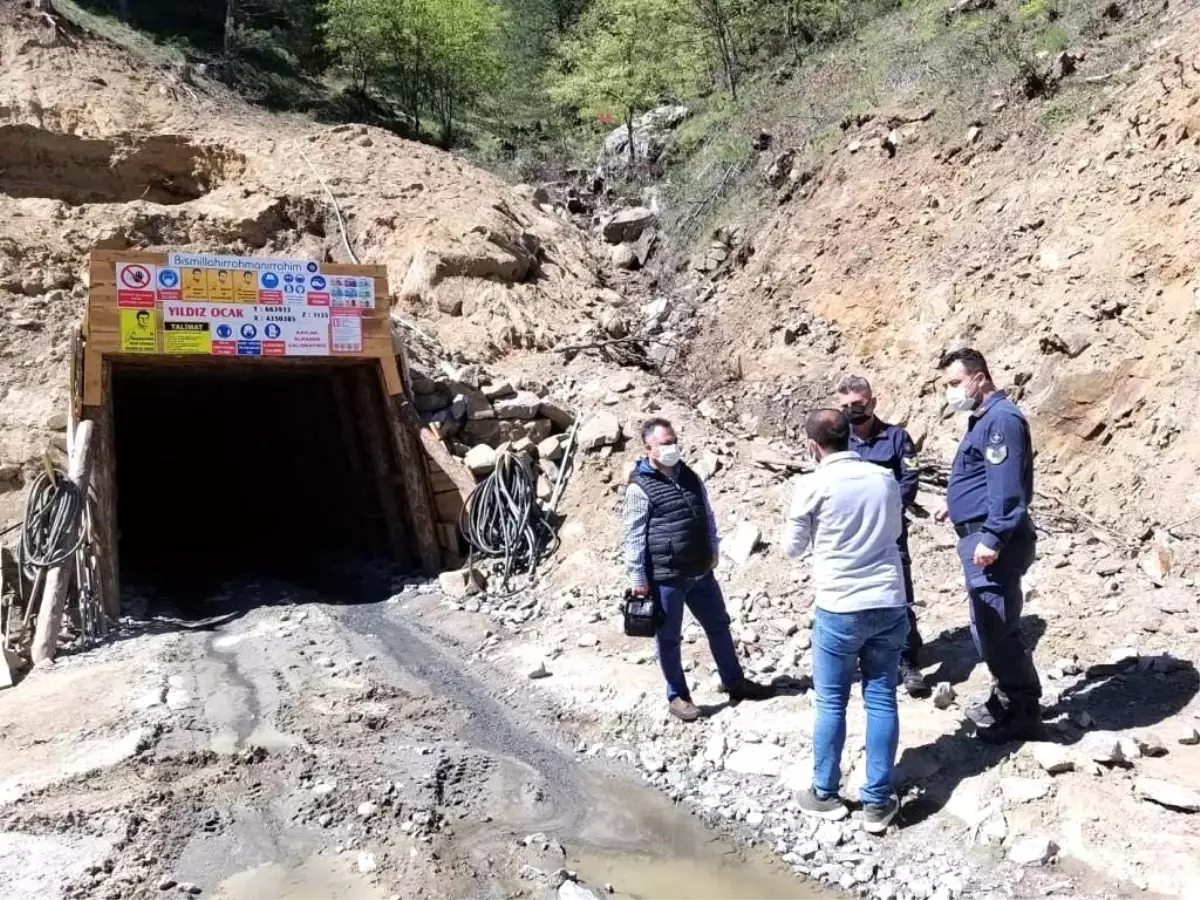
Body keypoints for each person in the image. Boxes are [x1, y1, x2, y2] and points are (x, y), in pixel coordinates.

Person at [781, 409, 908, 834]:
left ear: (812, 445)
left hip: (839, 605)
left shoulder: (812, 485)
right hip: (889, 600)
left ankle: (825, 793)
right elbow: (894, 530)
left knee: (832, 701)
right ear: (852, 438)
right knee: (882, 698)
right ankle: (876, 802)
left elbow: (792, 549)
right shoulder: (883, 478)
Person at [622, 418, 774, 722]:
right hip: (666, 577)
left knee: (719, 626)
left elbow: (706, 513)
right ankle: (677, 695)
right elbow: (634, 535)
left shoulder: (689, 475)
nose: (672, 447)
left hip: (701, 571)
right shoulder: (640, 488)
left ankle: (735, 682)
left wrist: (714, 551)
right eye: (665, 443)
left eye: (673, 440)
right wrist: (638, 578)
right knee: (669, 638)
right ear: (648, 448)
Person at [937, 348, 1044, 744]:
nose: (951, 392)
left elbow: (1007, 489)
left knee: (997, 630)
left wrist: (993, 536)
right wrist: (954, 507)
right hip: (979, 534)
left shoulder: (1001, 420)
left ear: (980, 377)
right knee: (988, 625)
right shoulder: (983, 419)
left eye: (954, 383)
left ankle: (1024, 712)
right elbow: (983, 479)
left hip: (991, 541)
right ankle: (1005, 698)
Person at [835, 375, 928, 698]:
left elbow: (909, 481)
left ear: (872, 402)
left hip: (890, 535)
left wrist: (881, 513)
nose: (852, 411)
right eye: (845, 406)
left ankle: (907, 660)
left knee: (899, 596)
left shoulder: (897, 438)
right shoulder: (838, 442)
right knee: (850, 598)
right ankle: (861, 659)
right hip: (850, 538)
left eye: (858, 404)